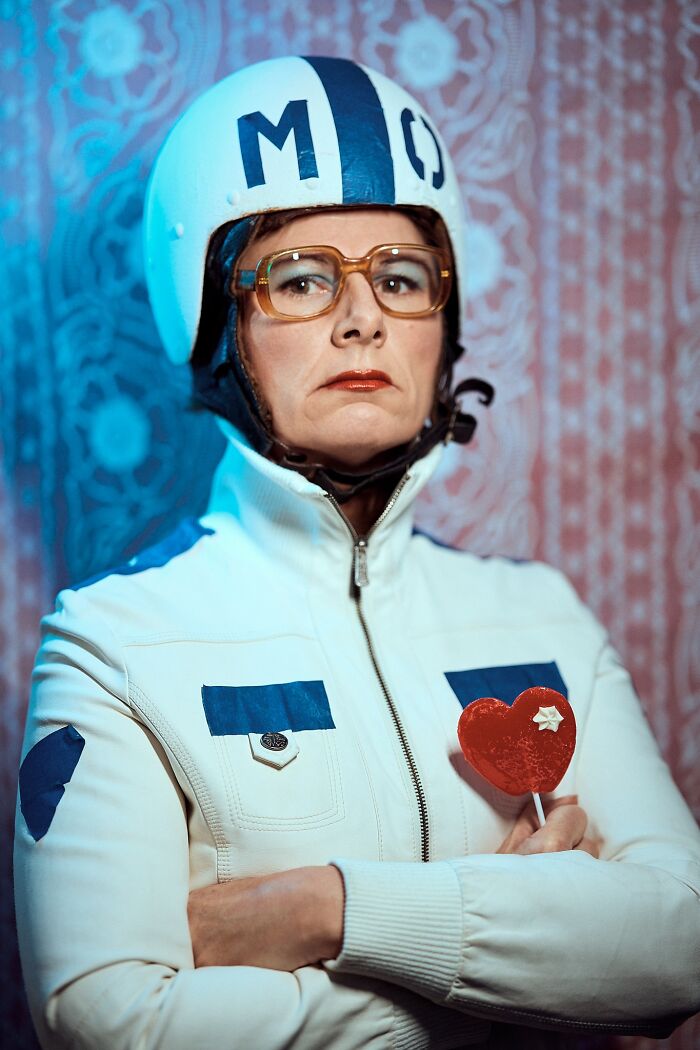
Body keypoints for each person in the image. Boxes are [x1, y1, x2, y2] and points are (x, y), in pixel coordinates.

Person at [14, 56, 700, 1050]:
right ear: (215, 320)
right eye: (298, 279)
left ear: (444, 325)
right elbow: (112, 1023)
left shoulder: (541, 614)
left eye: (400, 276)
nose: (362, 316)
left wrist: (325, 910)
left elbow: (681, 947)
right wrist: (525, 969)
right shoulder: (111, 643)